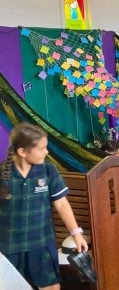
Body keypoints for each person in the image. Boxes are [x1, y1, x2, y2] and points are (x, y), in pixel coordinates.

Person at [0, 123, 88, 289]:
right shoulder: (2, 174)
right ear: (22, 152)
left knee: (51, 286)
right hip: (9, 247)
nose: (46, 152)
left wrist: (76, 233)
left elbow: (62, 203)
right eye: (41, 149)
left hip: (41, 245)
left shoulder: (48, 171)